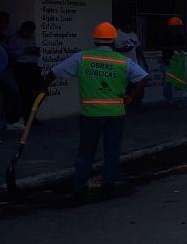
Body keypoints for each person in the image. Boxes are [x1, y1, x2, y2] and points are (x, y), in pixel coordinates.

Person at [45, 22, 148, 200]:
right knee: (112, 150)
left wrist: (43, 88)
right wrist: (131, 97)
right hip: (115, 113)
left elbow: (54, 72)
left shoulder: (82, 58)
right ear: (114, 41)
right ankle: (109, 185)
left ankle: (79, 187)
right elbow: (144, 77)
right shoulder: (123, 61)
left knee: (86, 152)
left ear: (94, 39)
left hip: (91, 114)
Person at [8, 21, 43, 124]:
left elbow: (37, 55)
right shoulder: (14, 39)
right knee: (25, 94)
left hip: (33, 67)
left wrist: (35, 52)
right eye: (28, 31)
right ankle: (27, 116)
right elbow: (10, 55)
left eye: (31, 32)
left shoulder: (31, 39)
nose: (30, 34)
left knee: (42, 90)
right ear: (22, 29)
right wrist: (24, 51)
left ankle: (31, 113)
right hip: (22, 68)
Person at [159, 17, 187, 107]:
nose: (178, 28)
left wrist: (182, 48)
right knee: (167, 82)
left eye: (179, 26)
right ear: (171, 27)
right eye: (177, 26)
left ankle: (178, 100)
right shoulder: (165, 36)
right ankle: (169, 100)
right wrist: (172, 48)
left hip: (178, 63)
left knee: (178, 81)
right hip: (167, 61)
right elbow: (160, 46)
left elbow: (185, 47)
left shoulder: (181, 36)